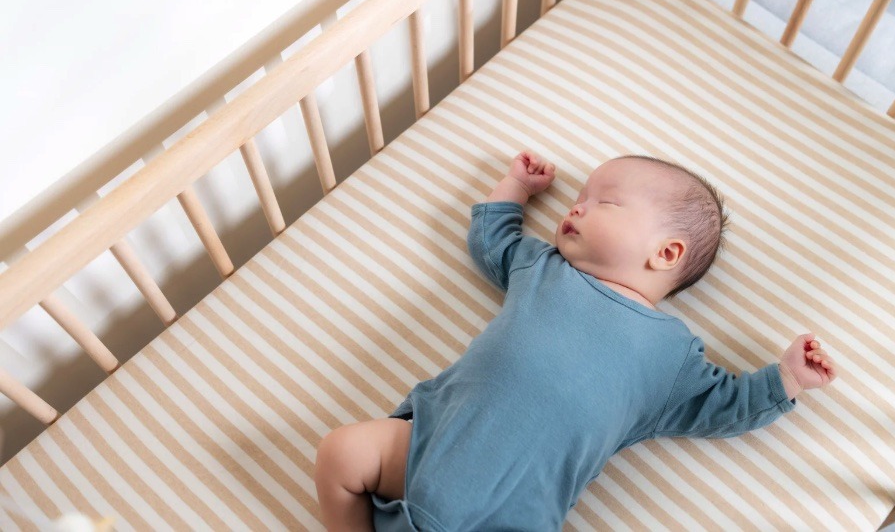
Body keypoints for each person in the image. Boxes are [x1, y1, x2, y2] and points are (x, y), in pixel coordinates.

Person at [314, 150, 839, 531]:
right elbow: (491, 241)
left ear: (666, 253)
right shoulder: (542, 268)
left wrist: (787, 377)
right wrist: (514, 187)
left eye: (604, 202)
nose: (576, 208)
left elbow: (725, 405)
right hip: (429, 448)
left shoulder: (673, 356)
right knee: (342, 451)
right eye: (579, 198)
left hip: (517, 513)